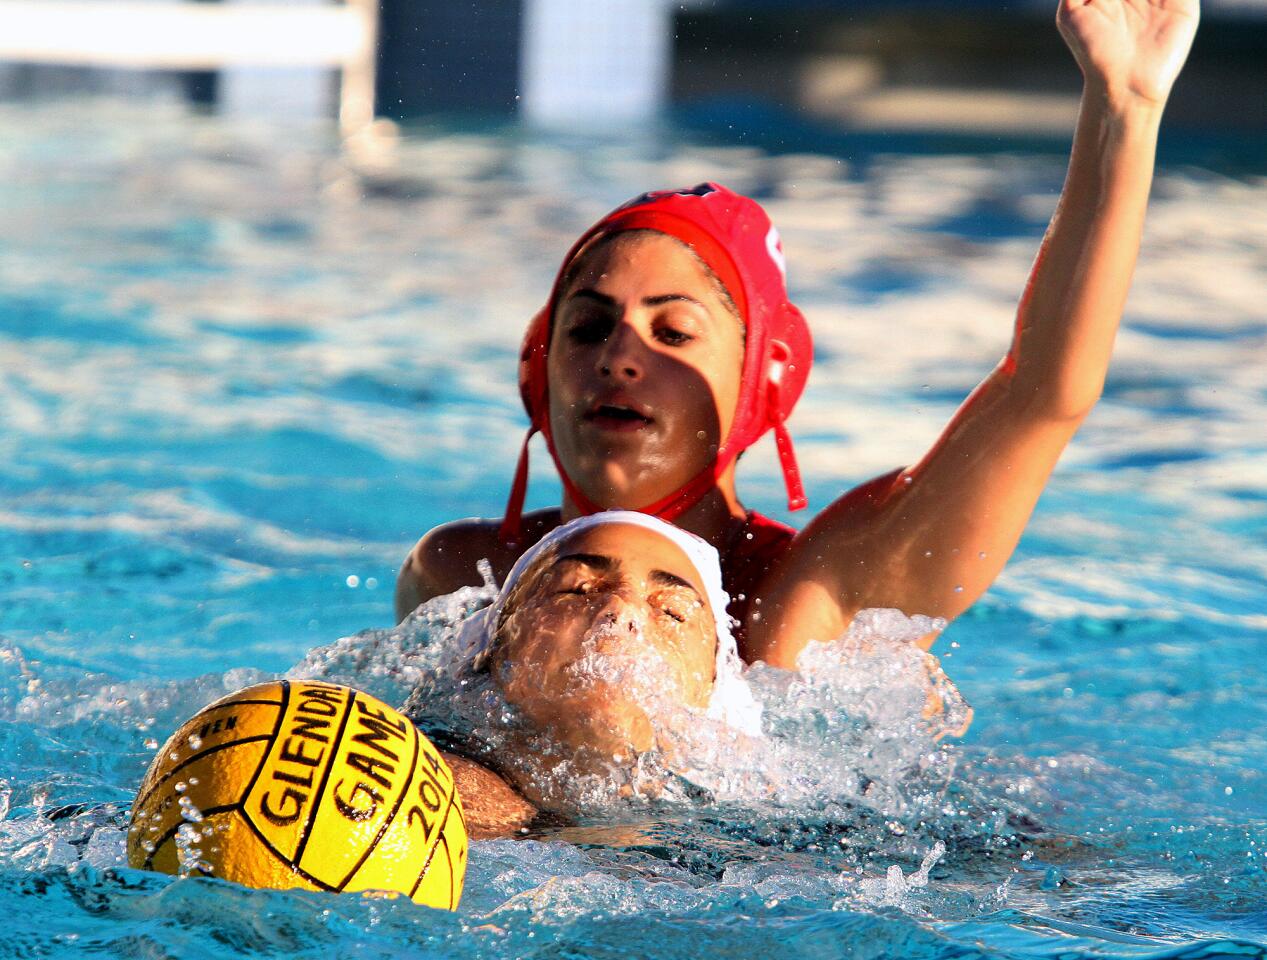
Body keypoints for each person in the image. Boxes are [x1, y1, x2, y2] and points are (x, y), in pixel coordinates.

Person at [396, 0, 1200, 669]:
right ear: (537, 366)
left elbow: (1040, 397)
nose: (618, 358)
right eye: (588, 327)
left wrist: (1123, 109)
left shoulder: (814, 601)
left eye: (673, 332)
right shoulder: (459, 579)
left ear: (761, 384)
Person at [419, 511, 962, 838]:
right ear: (493, 653)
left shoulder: (790, 824)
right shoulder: (406, 775)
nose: (622, 613)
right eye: (577, 589)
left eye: (673, 611)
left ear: (712, 690)